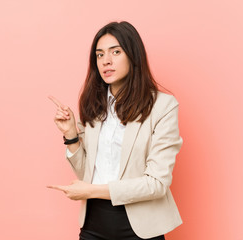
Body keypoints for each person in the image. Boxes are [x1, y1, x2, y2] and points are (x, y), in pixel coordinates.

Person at [47, 21, 183, 240]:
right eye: (99, 55)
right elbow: (88, 175)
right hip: (93, 224)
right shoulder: (95, 105)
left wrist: (90, 192)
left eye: (116, 52)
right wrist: (71, 135)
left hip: (140, 228)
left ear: (133, 55)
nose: (106, 61)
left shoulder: (163, 106)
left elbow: (156, 184)